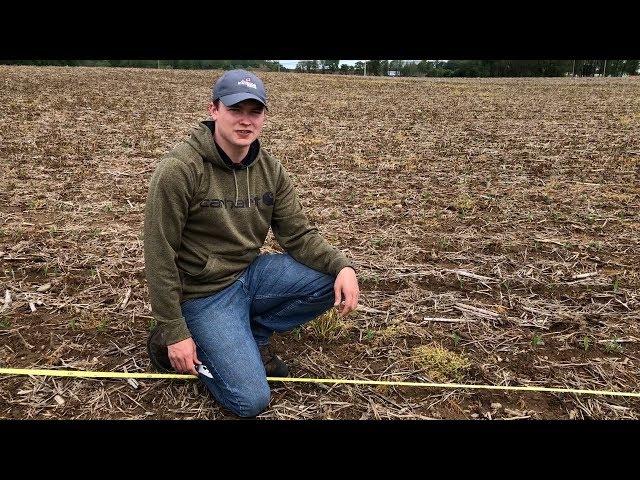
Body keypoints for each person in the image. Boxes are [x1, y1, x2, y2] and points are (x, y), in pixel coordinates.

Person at [143, 69, 360, 417]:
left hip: (249, 277)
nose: (245, 121)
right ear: (214, 110)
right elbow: (159, 256)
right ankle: (168, 342)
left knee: (325, 279)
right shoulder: (180, 169)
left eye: (254, 111)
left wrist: (342, 265)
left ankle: (252, 336)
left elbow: (299, 235)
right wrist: (174, 332)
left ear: (264, 115)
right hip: (203, 295)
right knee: (250, 400)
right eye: (235, 109)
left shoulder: (270, 170)